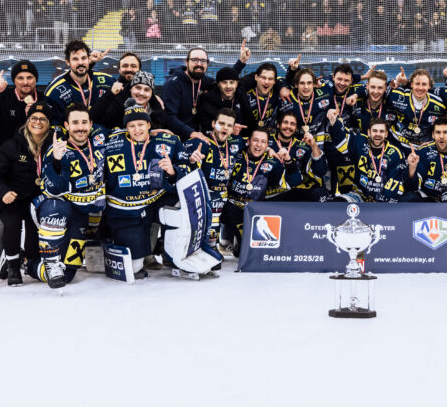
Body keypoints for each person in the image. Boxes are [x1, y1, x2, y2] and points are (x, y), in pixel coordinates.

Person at [33, 104, 108, 288]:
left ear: (91, 124)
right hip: (55, 210)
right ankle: (48, 263)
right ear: (66, 125)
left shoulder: (100, 142)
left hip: (81, 215)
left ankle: (32, 264)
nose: (80, 127)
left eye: (84, 122)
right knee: (58, 205)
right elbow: (53, 191)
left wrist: (156, 131)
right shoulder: (57, 150)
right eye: (75, 123)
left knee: (68, 274)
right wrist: (57, 162)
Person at [102, 103, 181, 277]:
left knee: (181, 202)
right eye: (131, 126)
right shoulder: (113, 141)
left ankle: (175, 254)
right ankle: (116, 246)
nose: (137, 130)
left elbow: (187, 168)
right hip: (125, 209)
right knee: (134, 268)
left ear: (149, 125)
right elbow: (92, 132)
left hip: (153, 200)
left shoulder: (167, 141)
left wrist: (173, 171)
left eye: (141, 124)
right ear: (126, 127)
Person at [0, 102, 53, 287]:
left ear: (48, 123)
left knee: (33, 247)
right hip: (13, 198)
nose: (37, 122)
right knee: (13, 224)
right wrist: (3, 192)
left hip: (36, 201)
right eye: (34, 118)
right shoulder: (12, 145)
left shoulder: (52, 144)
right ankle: (13, 265)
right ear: (27, 121)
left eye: (43, 119)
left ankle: (27, 257)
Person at [218, 127, 304, 257]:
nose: (259, 145)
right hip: (231, 207)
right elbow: (225, 143)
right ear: (248, 141)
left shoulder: (272, 162)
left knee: (249, 253)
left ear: (267, 144)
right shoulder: (236, 154)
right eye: (255, 140)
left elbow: (295, 181)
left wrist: (288, 159)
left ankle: (240, 242)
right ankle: (225, 239)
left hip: (255, 210)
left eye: (263, 142)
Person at [176, 109, 245, 249]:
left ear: (233, 129)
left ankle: (215, 247)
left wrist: (269, 150)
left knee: (213, 235)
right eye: (221, 123)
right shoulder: (200, 142)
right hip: (201, 197)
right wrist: (191, 160)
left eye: (229, 125)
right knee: (194, 234)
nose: (225, 128)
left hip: (222, 197)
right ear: (213, 124)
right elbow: (180, 166)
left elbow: (253, 146)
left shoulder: (236, 143)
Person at [162, 43, 250, 142]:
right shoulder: (173, 84)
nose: (199, 64)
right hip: (173, 139)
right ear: (187, 62)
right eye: (195, 60)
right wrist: (191, 132)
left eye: (203, 61)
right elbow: (169, 117)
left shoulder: (203, 81)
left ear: (207, 64)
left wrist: (241, 62)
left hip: (194, 138)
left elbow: (224, 80)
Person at [327, 110, 410, 203]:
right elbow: (341, 143)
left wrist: (378, 204)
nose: (378, 134)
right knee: (338, 202)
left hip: (384, 201)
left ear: (386, 134)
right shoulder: (360, 141)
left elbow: (394, 184)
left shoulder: (395, 153)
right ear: (369, 132)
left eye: (381, 131)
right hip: (359, 196)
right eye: (374, 131)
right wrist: (334, 121)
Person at [44, 40, 116, 124]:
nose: (80, 62)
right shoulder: (54, 91)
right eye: (75, 59)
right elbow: (53, 124)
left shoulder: (108, 80)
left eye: (84, 58)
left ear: (89, 59)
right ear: (68, 62)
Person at [268, 111, 330, 202]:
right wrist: (267, 149)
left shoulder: (302, 145)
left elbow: (320, 171)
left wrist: (313, 145)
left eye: (292, 124)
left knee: (320, 193)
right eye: (285, 122)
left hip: (299, 189)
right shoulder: (265, 141)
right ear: (278, 125)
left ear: (296, 128)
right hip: (274, 192)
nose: (288, 126)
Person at [196, 67, 253, 135]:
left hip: (239, 137)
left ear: (237, 83)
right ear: (218, 84)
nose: (228, 86)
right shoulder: (208, 100)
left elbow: (249, 121)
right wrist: (229, 129)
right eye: (224, 82)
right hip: (214, 137)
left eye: (232, 82)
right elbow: (205, 125)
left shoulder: (242, 97)